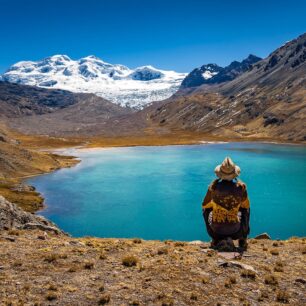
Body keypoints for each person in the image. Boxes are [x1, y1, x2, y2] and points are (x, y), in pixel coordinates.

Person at [202, 157, 250, 250]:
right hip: (236, 231)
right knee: (246, 209)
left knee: (206, 209)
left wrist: (217, 205)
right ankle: (243, 239)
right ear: (234, 174)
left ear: (220, 174)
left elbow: (204, 205)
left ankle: (215, 239)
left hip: (216, 232)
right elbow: (246, 206)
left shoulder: (212, 188)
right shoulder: (241, 188)